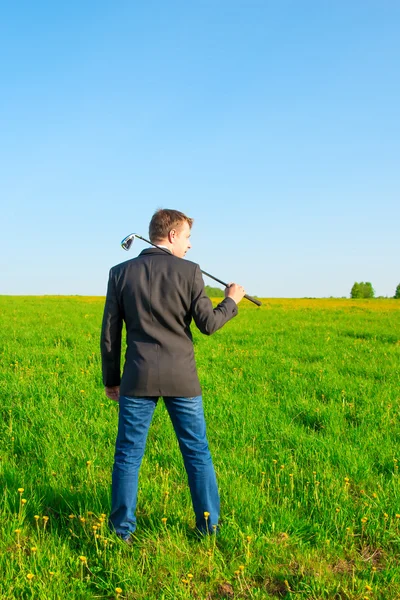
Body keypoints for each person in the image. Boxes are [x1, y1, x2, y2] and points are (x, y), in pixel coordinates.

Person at [100, 208, 245, 542]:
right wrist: (231, 301)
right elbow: (208, 324)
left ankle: (121, 532)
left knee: (127, 455)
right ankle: (208, 528)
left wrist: (112, 379)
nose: (190, 246)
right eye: (188, 237)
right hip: (182, 379)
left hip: (137, 377)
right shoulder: (190, 272)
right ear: (172, 235)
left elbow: (110, 333)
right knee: (196, 452)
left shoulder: (120, 272)